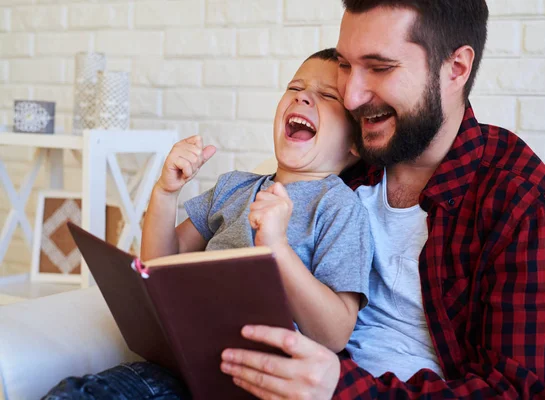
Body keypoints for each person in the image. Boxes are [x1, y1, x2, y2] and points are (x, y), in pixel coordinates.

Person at [218, 1, 545, 399]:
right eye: (344, 65)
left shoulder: (525, 204)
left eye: (380, 68)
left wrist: (340, 389)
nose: (352, 96)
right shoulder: (338, 163)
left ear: (456, 68)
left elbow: (521, 393)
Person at [43, 49, 373, 399]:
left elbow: (335, 333)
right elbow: (158, 266)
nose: (302, 96)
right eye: (295, 87)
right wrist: (165, 192)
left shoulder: (340, 207)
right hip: (179, 368)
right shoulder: (233, 187)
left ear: (355, 144)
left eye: (326, 95)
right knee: (76, 393)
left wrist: (276, 247)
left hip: (260, 384)